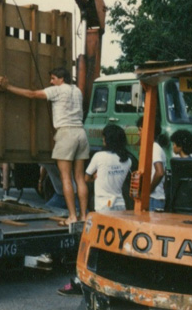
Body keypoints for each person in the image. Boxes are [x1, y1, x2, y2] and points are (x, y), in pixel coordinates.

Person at [0, 67, 88, 225]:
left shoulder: (57, 90)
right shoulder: (77, 91)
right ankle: (84, 216)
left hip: (66, 134)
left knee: (65, 177)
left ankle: (72, 216)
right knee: (79, 178)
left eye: (53, 78)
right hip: (81, 133)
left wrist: (8, 87)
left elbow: (32, 94)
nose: (51, 82)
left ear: (61, 79)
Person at [58, 124, 131, 297]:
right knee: (115, 247)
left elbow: (85, 177)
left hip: (103, 208)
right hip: (120, 206)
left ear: (108, 139)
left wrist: (95, 177)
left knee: (93, 246)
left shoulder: (99, 156)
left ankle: (80, 282)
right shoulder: (127, 159)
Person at [137, 116, 169, 212]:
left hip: (154, 199)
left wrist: (147, 191)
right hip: (154, 198)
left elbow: (160, 172)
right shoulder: (154, 147)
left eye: (140, 130)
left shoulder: (154, 147)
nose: (138, 133)